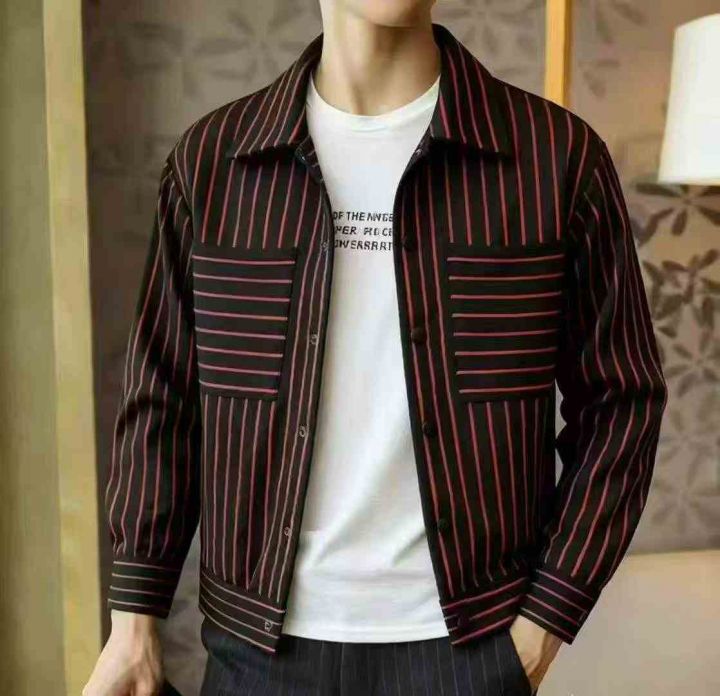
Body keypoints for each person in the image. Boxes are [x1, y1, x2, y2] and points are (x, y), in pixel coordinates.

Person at [83, 1, 667, 695]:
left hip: (470, 654)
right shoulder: (213, 163)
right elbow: (164, 398)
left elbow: (622, 400)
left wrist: (544, 623)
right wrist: (133, 621)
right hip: (257, 659)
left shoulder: (555, 157)